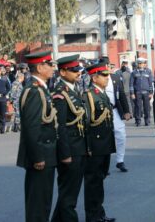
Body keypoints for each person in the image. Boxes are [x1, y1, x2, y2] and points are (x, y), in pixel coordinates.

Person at [16, 50, 58, 222]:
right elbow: (32, 128)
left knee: (44, 201)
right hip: (40, 155)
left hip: (47, 152)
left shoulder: (41, 88)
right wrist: (38, 157)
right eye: (50, 65)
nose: (53, 68)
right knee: (38, 205)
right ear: (40, 67)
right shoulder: (34, 90)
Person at [50, 55, 87, 222]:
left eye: (78, 70)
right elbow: (60, 127)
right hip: (70, 149)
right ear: (62, 72)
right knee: (69, 196)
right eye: (74, 70)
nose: (78, 73)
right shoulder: (60, 93)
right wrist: (65, 154)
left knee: (69, 193)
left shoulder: (73, 89)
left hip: (78, 146)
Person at [83, 62, 116, 222]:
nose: (107, 78)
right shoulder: (89, 95)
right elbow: (87, 124)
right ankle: (93, 216)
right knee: (93, 182)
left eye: (108, 74)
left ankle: (99, 213)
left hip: (104, 144)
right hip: (95, 146)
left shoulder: (101, 93)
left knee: (99, 180)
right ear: (94, 77)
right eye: (103, 75)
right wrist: (88, 147)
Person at [101, 57, 132, 172]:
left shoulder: (115, 78)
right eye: (106, 66)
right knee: (104, 138)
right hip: (101, 113)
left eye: (109, 66)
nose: (108, 68)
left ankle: (120, 160)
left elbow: (122, 94)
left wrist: (126, 111)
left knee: (121, 135)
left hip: (114, 111)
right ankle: (104, 164)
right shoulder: (95, 78)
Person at [130, 58, 153, 126]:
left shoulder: (148, 72)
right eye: (139, 63)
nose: (141, 65)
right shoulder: (134, 72)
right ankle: (138, 121)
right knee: (138, 107)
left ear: (144, 64)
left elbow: (150, 83)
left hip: (146, 92)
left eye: (142, 63)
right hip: (137, 92)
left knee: (147, 107)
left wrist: (151, 92)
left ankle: (147, 120)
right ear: (137, 64)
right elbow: (131, 84)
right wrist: (132, 93)